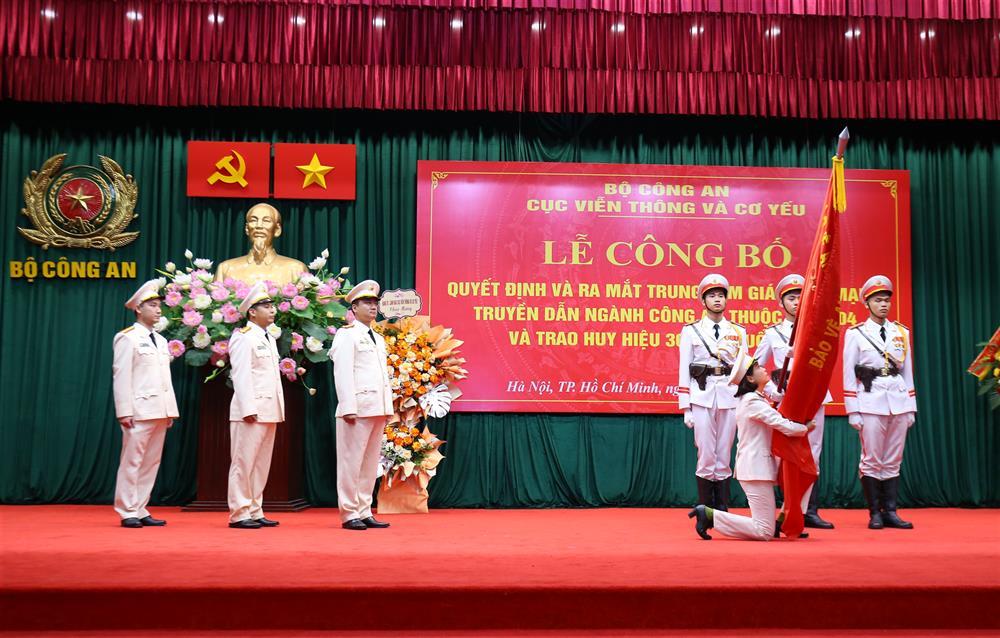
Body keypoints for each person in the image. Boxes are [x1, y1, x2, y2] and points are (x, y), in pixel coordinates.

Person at [689, 350, 813, 541]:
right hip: (755, 468)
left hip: (757, 467)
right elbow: (783, 425)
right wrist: (805, 427)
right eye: (757, 367)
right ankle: (710, 516)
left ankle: (780, 521)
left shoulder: (756, 400)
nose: (763, 368)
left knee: (771, 523)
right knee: (764, 531)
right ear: (750, 378)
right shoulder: (752, 402)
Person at [754, 274, 835, 530]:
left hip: (812, 395)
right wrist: (769, 391)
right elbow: (754, 366)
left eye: (801, 296)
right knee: (787, 454)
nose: (796, 301)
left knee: (813, 451)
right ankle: (786, 510)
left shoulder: (817, 330)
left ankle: (808, 510)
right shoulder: (773, 333)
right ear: (781, 303)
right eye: (791, 297)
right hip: (787, 397)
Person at [843, 275, 917, 530]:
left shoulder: (901, 332)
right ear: (867, 303)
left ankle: (891, 511)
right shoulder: (856, 334)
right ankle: (875, 512)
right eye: (877, 300)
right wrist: (853, 410)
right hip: (870, 401)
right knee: (872, 457)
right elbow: (848, 372)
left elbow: (907, 371)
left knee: (894, 458)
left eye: (886, 300)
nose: (883, 305)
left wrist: (911, 406)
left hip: (898, 399)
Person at [677, 274, 748, 511]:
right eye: (712, 296)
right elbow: (683, 368)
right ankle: (705, 508)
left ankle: (722, 508)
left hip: (729, 395)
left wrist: (744, 400)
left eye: (721, 295)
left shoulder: (738, 331)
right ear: (703, 300)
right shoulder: (691, 331)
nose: (717, 300)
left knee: (725, 451)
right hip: (702, 395)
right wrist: (685, 407)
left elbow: (743, 367)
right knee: (706, 452)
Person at [112, 278, 179, 528]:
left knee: (151, 461)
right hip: (139, 409)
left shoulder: (161, 341)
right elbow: (122, 376)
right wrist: (124, 411)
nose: (158, 309)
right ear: (138, 308)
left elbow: (163, 379)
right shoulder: (127, 338)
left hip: (159, 409)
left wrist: (169, 409)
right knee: (132, 460)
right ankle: (127, 509)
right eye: (152, 304)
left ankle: (140, 507)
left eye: (159, 305)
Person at [329, 280, 395, 531]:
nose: (373, 307)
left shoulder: (377, 338)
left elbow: (381, 376)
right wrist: (348, 406)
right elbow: (342, 372)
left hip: (376, 406)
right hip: (356, 408)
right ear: (354, 308)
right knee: (351, 462)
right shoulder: (347, 335)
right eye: (367, 302)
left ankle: (364, 509)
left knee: (369, 464)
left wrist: (387, 407)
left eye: (375, 303)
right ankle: (349, 512)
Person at [226, 281, 285, 529]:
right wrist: (248, 407)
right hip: (250, 410)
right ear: (252, 311)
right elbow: (241, 375)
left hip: (269, 408)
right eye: (266, 306)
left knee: (260, 464)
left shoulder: (268, 338)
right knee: (244, 462)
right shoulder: (244, 337)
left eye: (272, 306)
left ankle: (255, 508)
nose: (272, 310)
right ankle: (239, 512)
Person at [215, 202, 307, 286]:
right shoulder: (226, 268)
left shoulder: (295, 268)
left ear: (277, 230)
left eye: (266, 221)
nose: (259, 225)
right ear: (247, 228)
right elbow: (216, 302)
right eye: (253, 220)